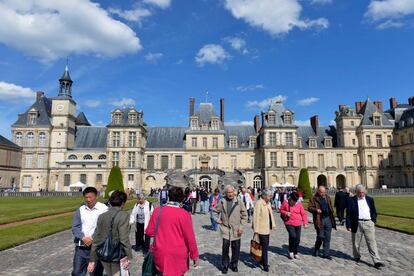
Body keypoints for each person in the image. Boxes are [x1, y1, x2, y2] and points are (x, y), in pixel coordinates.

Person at [146, 186, 199, 275]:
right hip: (177, 254)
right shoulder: (184, 214)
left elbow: (149, 232)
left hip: (160, 252)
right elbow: (190, 238)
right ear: (181, 199)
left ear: (168, 196)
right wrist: (194, 255)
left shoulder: (157, 211)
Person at [88, 191, 132, 276]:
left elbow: (96, 238)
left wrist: (92, 259)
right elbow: (124, 239)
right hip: (117, 254)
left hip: (103, 254)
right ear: (123, 203)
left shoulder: (102, 216)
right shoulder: (124, 215)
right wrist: (129, 256)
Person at [71, 187, 108, 276]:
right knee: (77, 272)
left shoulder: (104, 209)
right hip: (81, 248)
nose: (88, 199)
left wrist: (92, 238)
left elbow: (104, 227)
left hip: (97, 248)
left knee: (95, 273)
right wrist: (83, 237)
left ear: (96, 196)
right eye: (86, 197)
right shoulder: (80, 210)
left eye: (90, 197)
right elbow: (75, 227)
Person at [346, 184, 384, 269]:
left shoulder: (370, 199)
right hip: (357, 223)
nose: (362, 194)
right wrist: (348, 225)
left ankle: (376, 260)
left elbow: (374, 211)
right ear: (356, 192)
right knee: (356, 242)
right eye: (360, 193)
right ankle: (357, 256)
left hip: (368, 223)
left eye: (363, 192)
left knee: (372, 242)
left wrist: (373, 221)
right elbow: (348, 214)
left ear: (365, 192)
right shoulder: (351, 200)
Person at [213, 185, 248, 274]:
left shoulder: (239, 202)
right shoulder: (222, 201)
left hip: (236, 229)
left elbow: (245, 216)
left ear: (234, 192)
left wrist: (241, 227)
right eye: (228, 192)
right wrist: (217, 220)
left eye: (231, 192)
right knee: (225, 248)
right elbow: (215, 211)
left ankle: (234, 264)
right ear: (226, 193)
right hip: (225, 229)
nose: (230, 194)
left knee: (236, 248)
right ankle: (225, 265)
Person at [308, 186, 337, 259]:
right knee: (320, 236)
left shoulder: (327, 197)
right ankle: (316, 248)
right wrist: (316, 210)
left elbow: (330, 205)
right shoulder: (313, 198)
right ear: (318, 191)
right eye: (322, 192)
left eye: (324, 192)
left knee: (327, 237)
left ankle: (326, 253)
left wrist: (331, 211)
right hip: (319, 219)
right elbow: (309, 208)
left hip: (328, 219)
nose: (323, 193)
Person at [252, 189, 276, 272]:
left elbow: (270, 214)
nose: (270, 197)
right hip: (261, 229)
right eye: (269, 196)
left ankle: (262, 261)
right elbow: (256, 217)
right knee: (265, 247)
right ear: (264, 196)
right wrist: (256, 230)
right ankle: (265, 265)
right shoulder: (259, 203)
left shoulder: (267, 203)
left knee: (264, 246)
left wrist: (273, 224)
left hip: (266, 229)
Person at [280, 192, 308, 259]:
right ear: (290, 199)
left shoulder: (299, 204)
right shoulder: (285, 203)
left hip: (298, 223)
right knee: (293, 236)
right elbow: (281, 210)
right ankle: (291, 251)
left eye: (296, 201)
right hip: (289, 223)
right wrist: (286, 213)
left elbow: (303, 214)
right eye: (293, 201)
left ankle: (295, 252)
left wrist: (305, 223)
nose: (294, 203)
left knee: (297, 239)